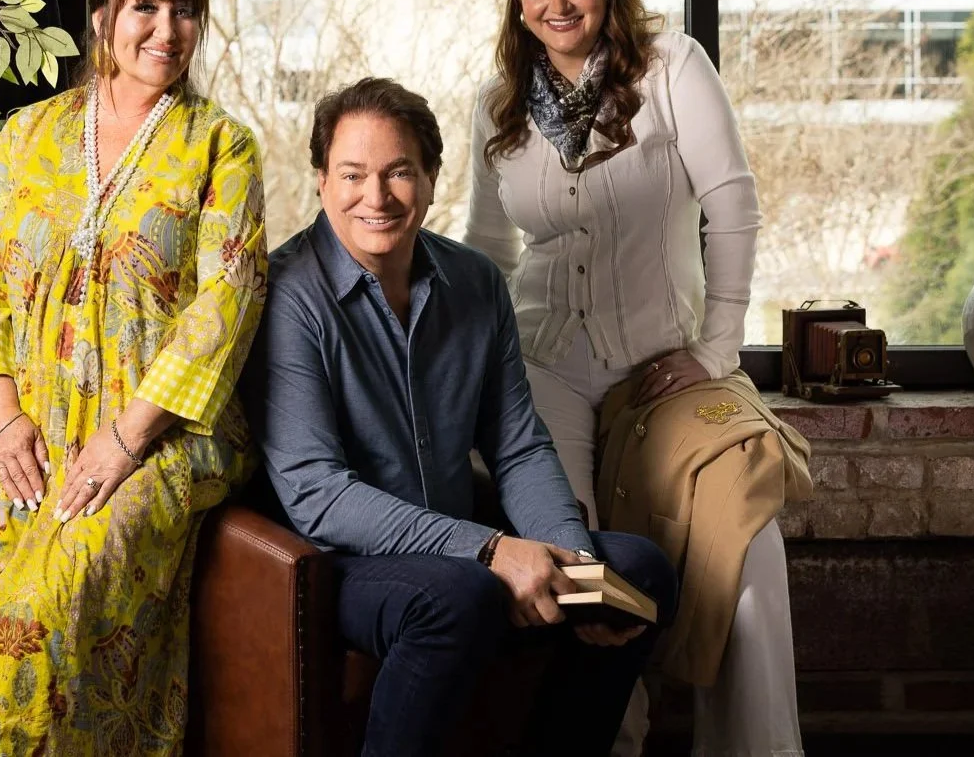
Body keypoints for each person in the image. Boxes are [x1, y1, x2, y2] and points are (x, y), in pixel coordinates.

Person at [246, 77, 677, 757]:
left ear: (431, 179)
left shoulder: (475, 283)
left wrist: (573, 564)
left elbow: (518, 446)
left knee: (640, 571)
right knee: (458, 597)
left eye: (398, 172)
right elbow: (318, 494)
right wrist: (491, 551)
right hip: (339, 564)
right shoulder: (286, 295)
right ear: (322, 181)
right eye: (352, 175)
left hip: (460, 545)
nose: (376, 197)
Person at [464, 0, 807, 757]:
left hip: (666, 361)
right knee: (575, 562)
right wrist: (469, 373)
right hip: (545, 364)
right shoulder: (495, 104)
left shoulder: (672, 67)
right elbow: (486, 252)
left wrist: (715, 349)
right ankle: (611, 743)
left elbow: (733, 207)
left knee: (750, 542)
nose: (557, 3)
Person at [0, 0, 268, 757]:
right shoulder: (29, 134)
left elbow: (226, 306)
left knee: (38, 614)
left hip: (161, 436)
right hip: (31, 426)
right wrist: (4, 421)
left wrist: (125, 441)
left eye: (185, 11)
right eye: (145, 6)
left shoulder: (221, 146)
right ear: (102, 17)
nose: (167, 30)